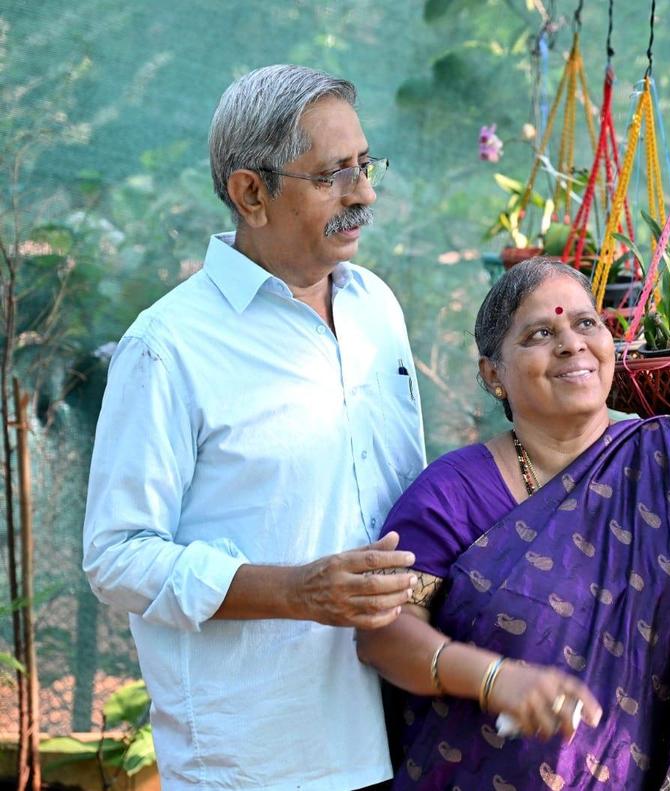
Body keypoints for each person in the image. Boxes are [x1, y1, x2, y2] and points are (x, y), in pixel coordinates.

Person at [82, 64, 426, 790]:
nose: (363, 193)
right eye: (333, 174)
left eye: (365, 166)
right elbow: (116, 554)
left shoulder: (376, 309)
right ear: (250, 192)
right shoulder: (168, 345)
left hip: (397, 725)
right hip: (259, 756)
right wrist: (293, 590)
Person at [356, 258, 670, 790]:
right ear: (493, 374)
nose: (571, 344)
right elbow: (382, 635)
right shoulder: (451, 492)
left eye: (586, 323)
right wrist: (493, 678)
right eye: (541, 333)